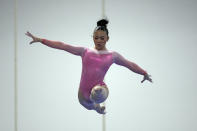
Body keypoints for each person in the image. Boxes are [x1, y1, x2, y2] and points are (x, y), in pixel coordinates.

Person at [25, 19, 152, 114]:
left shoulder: (112, 55)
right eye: (96, 38)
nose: (99, 41)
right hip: (83, 96)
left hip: (99, 88)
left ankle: (97, 103)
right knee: (90, 104)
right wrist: (41, 40)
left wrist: (144, 72)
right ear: (93, 38)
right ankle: (97, 108)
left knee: (98, 91)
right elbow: (62, 46)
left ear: (107, 38)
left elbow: (129, 64)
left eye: (102, 38)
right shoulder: (85, 51)